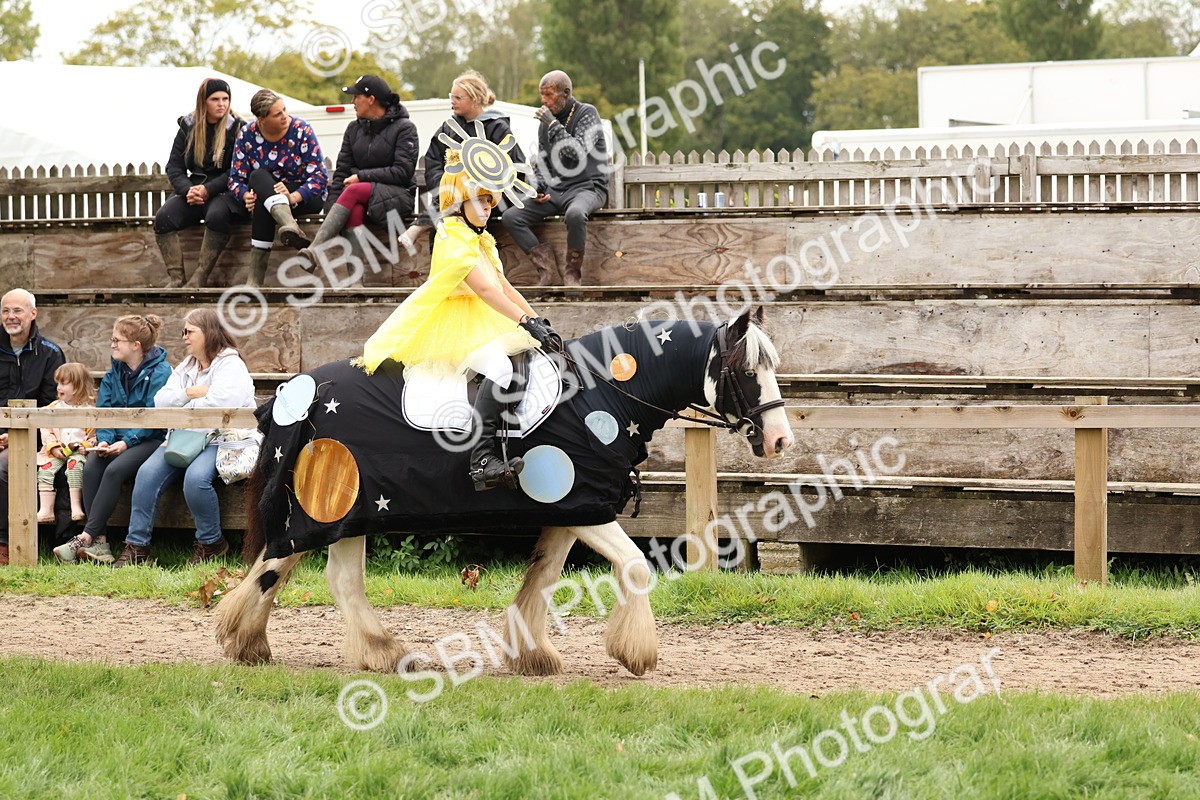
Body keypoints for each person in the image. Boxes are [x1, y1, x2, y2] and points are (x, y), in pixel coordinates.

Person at [362, 134, 559, 491]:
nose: (487, 208)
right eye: (479, 201)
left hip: (488, 317)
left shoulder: (483, 238)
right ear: (460, 201)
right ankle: (481, 460)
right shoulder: (452, 235)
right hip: (455, 323)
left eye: (489, 201)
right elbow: (482, 288)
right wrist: (524, 321)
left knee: (528, 358)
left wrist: (538, 321)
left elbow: (503, 285)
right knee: (499, 367)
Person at [113, 308, 255, 568]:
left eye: (189, 331)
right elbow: (161, 401)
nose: (184, 337)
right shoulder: (187, 365)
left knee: (196, 479)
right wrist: (192, 392)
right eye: (184, 332)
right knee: (146, 474)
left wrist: (188, 402)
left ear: (208, 333)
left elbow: (223, 403)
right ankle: (137, 546)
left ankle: (212, 543)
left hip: (219, 439)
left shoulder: (231, 364)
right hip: (184, 438)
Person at [56, 315, 171, 564]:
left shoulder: (161, 372)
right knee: (92, 467)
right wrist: (106, 441)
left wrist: (127, 442)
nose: (113, 345)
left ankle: (85, 536)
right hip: (117, 441)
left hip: (150, 439)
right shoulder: (113, 374)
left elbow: (154, 417)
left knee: (114, 470)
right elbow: (104, 412)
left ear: (135, 345)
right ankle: (101, 544)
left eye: (117, 340)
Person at [299, 75, 419, 277]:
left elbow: (402, 172)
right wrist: (332, 211)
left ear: (370, 99)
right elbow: (342, 172)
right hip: (362, 199)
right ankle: (356, 282)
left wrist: (361, 176)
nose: (352, 102)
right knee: (352, 209)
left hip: (399, 198)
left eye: (356, 97)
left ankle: (315, 249)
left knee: (353, 188)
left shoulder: (405, 128)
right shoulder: (353, 129)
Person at [399, 69, 525, 255]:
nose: (452, 101)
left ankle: (420, 226)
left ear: (474, 99)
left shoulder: (497, 127)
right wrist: (447, 186)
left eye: (458, 97)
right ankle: (443, 275)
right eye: (452, 96)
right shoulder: (449, 128)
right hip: (451, 196)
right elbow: (433, 161)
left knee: (463, 213)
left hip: (488, 199)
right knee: (445, 223)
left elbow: (513, 166)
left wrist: (478, 190)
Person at [501, 70, 608, 287]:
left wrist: (553, 125)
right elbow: (542, 163)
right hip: (557, 190)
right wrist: (538, 188)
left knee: (576, 214)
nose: (543, 101)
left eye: (548, 95)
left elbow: (576, 153)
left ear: (566, 94)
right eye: (542, 95)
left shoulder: (587, 114)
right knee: (511, 216)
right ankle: (547, 271)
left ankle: (572, 274)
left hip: (588, 188)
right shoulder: (546, 124)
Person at [226, 89, 329, 287]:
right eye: (278, 114)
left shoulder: (301, 129)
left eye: (285, 110)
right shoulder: (247, 134)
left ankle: (255, 279)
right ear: (262, 119)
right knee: (258, 181)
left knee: (264, 200)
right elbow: (235, 180)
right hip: (269, 196)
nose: (285, 117)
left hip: (305, 195)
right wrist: (244, 194)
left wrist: (293, 197)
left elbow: (319, 176)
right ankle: (289, 226)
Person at [153, 78, 246, 288]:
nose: (222, 104)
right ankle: (177, 280)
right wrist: (188, 190)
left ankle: (200, 277)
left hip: (225, 192)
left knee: (216, 216)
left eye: (225, 99)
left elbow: (238, 170)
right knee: (163, 218)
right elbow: (174, 166)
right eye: (215, 99)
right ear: (203, 102)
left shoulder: (238, 128)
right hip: (193, 189)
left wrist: (209, 189)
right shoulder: (188, 127)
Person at [0, 288, 66, 566]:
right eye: (6, 311)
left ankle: (4, 543)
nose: (11, 316)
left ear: (33, 314)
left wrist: (13, 437)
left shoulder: (50, 354)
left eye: (17, 310)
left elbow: (53, 408)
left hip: (35, 439)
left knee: (4, 465)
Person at [36, 363, 97, 525]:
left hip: (77, 452)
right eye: (58, 383)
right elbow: (46, 431)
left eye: (63, 383)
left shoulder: (90, 411)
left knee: (75, 468)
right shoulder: (52, 409)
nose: (58, 387)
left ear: (77, 387)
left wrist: (84, 445)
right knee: (45, 470)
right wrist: (54, 448)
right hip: (57, 452)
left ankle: (76, 506)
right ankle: (46, 509)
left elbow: (94, 436)